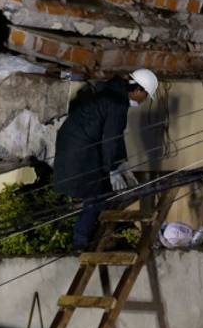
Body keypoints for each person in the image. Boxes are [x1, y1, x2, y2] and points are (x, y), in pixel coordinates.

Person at [52, 69, 158, 251]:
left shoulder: (111, 96)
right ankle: (81, 242)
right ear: (138, 90)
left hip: (74, 148)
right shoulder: (116, 104)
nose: (145, 99)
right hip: (81, 153)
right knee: (98, 195)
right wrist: (113, 170)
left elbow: (116, 137)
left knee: (101, 195)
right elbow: (110, 141)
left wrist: (122, 162)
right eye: (146, 95)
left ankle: (98, 237)